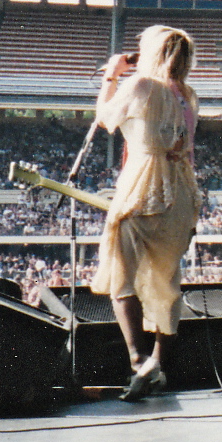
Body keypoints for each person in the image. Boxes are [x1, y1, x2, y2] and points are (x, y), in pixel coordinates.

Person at [90, 25, 203, 401]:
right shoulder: (189, 95)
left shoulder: (140, 86)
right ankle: (159, 364)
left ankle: (138, 360)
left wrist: (112, 73)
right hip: (182, 192)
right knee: (167, 280)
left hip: (145, 186)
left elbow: (105, 119)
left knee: (122, 275)